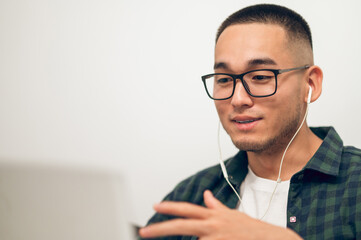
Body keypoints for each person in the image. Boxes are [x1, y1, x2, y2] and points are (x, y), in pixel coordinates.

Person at [139, 4, 361, 239]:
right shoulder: (192, 195)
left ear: (311, 84)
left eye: (260, 77)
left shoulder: (355, 186)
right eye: (224, 79)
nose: (238, 99)